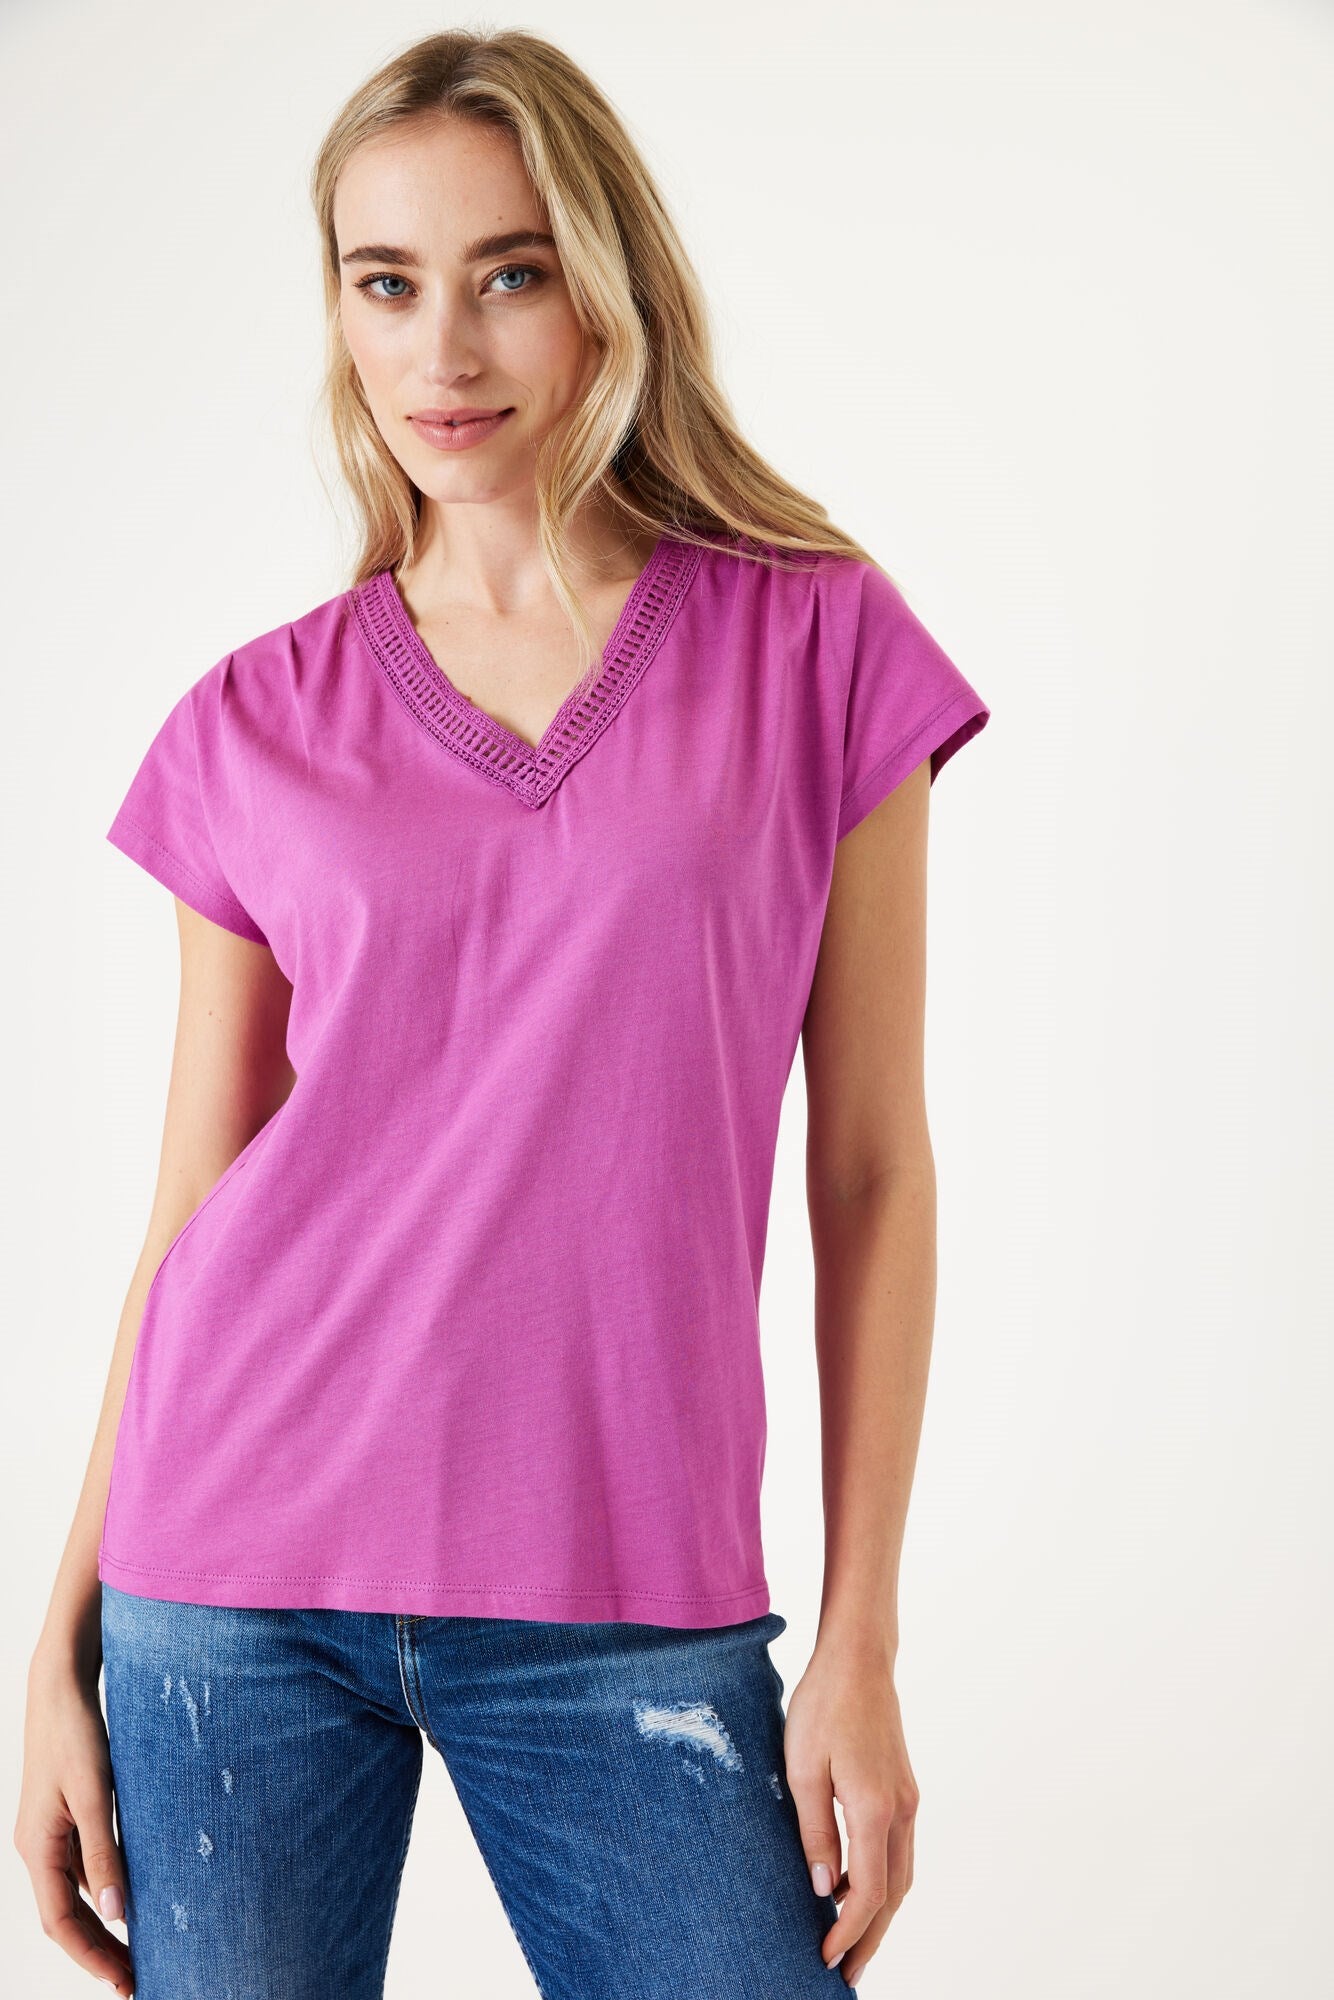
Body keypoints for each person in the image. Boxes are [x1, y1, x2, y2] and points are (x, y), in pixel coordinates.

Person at [15, 27, 991, 2000]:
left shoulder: (816, 643)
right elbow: (193, 1201)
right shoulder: (253, 719)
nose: (443, 349)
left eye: (509, 272)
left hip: (626, 1588)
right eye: (386, 283)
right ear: (338, 314)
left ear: (606, 287)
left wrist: (862, 1636)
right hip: (233, 1577)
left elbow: (872, 1167)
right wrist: (58, 1640)